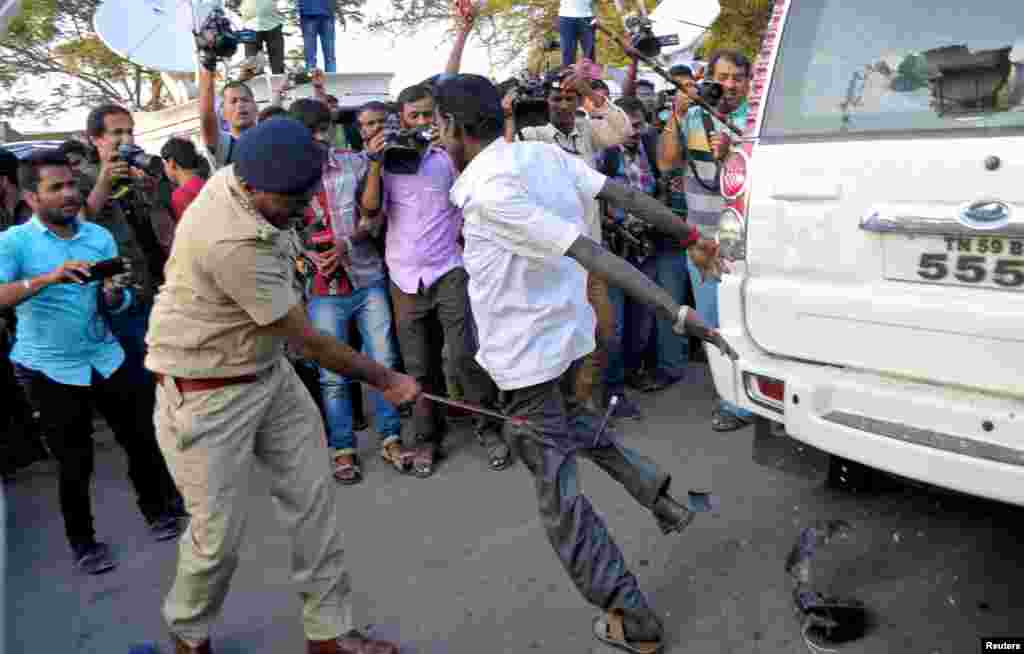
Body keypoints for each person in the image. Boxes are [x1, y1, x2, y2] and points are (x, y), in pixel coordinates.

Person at [434, 74, 729, 654]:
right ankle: (659, 497)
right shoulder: (538, 155)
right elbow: (621, 195)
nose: (435, 135)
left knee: (560, 499)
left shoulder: (492, 189)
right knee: (576, 423)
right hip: (566, 341)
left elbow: (590, 250)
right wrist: (691, 231)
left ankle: (631, 618)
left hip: (526, 362)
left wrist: (677, 313)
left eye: (438, 124)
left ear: (455, 129)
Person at [145, 119, 418, 654]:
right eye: (292, 198)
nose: (303, 206)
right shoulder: (229, 239)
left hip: (267, 372)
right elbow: (309, 340)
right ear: (252, 185)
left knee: (312, 502)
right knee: (216, 538)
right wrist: (387, 379)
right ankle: (188, 636)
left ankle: (329, 635)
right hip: (207, 392)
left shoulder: (250, 180)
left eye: (307, 192)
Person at [0, 150, 186, 574]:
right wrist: (48, 279)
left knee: (141, 439)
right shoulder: (13, 244)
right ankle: (83, 542)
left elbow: (117, 301)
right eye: (56, 188)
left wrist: (114, 296)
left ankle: (157, 511)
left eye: (71, 185)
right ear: (31, 197)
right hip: (49, 367)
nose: (69, 194)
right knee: (74, 459)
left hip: (104, 356)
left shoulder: (98, 238)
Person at [360, 84, 511, 477]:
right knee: (418, 366)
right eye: (415, 116)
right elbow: (371, 209)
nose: (423, 124)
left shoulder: (447, 158)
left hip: (449, 269)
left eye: (430, 116)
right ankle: (427, 438)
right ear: (401, 120)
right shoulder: (385, 162)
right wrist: (377, 161)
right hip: (405, 278)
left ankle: (487, 428)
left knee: (463, 355)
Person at [289, 98, 409, 485]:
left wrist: (346, 242)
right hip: (322, 289)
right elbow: (282, 233)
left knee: (383, 361)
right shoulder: (285, 177)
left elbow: (374, 219)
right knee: (332, 376)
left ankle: (391, 437)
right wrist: (307, 255)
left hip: (367, 276)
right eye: (312, 132)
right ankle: (343, 448)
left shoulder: (355, 163)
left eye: (326, 128)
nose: (321, 137)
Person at [505, 67, 634, 414]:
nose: (562, 104)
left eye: (568, 97)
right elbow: (501, 162)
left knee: (603, 331)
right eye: (555, 97)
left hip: (589, 253)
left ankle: (580, 402)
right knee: (555, 338)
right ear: (543, 101)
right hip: (549, 257)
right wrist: (508, 114)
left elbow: (623, 130)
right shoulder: (530, 133)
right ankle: (557, 407)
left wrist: (591, 92)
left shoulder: (587, 130)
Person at [658, 48, 756, 433]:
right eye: (722, 77)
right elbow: (666, 163)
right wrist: (678, 116)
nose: (729, 86)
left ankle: (747, 401)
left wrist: (734, 151)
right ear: (709, 78)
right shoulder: (694, 113)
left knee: (744, 320)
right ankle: (732, 395)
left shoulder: (756, 117)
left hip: (741, 239)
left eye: (737, 78)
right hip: (701, 241)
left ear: (748, 81)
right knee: (713, 322)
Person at [198, 61, 258, 170]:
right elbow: (207, 115)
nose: (240, 105)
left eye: (245, 100)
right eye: (233, 101)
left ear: (255, 107)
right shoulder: (225, 146)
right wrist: (208, 64)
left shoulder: (270, 137)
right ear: (223, 113)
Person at [161, 138, 206, 224]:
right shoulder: (205, 182)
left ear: (171, 162)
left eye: (165, 163)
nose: (164, 168)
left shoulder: (179, 195)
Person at [240, 0, 286, 74]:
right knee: (251, 63)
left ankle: (279, 80)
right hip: (248, 23)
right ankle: (254, 80)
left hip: (272, 21)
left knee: (277, 63)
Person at [298, 0, 337, 73]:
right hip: (308, 13)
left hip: (326, 14)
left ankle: (332, 81)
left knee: (329, 56)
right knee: (311, 57)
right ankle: (311, 80)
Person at [558, 0, 597, 67]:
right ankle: (569, 74)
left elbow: (596, 3)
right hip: (566, 16)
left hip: (587, 16)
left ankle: (591, 75)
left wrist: (596, 17)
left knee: (590, 54)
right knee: (568, 54)